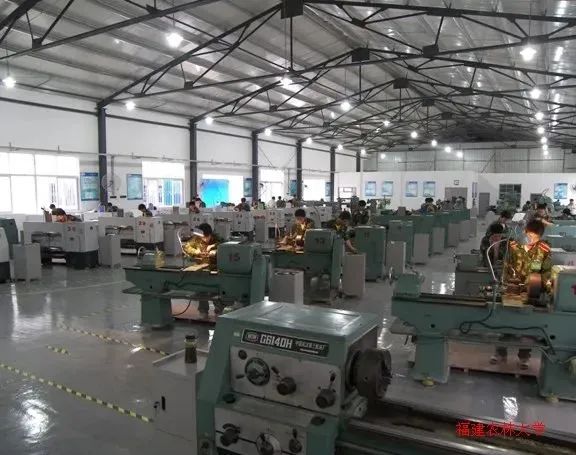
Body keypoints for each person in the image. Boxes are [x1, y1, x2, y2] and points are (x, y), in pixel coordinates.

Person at [491, 219, 552, 369]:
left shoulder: (543, 249)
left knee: (528, 327)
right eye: (530, 235)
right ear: (525, 232)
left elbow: (546, 272)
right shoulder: (513, 246)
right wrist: (505, 284)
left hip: (532, 292)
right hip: (512, 290)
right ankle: (500, 353)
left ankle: (524, 357)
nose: (532, 239)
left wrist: (545, 287)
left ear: (540, 236)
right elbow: (506, 267)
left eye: (535, 237)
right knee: (505, 323)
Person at [182, 223, 224, 317]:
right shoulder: (197, 237)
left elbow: (226, 247)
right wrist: (196, 252)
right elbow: (187, 246)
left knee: (215, 290)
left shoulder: (217, 238)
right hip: (201, 267)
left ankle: (219, 309)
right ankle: (203, 311)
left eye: (206, 237)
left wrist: (215, 249)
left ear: (210, 234)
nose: (204, 239)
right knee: (201, 290)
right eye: (202, 237)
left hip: (215, 268)